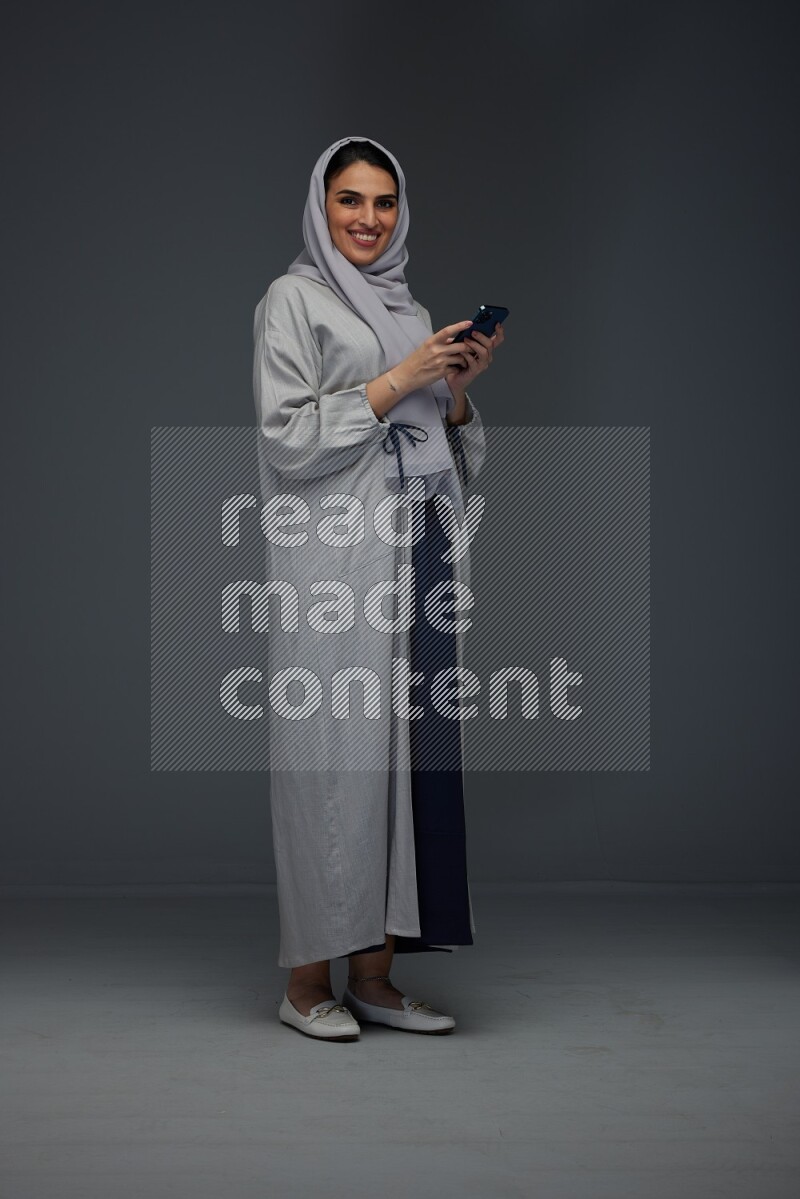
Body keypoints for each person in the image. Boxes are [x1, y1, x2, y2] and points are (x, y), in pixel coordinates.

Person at [252, 135, 505, 1040]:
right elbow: (286, 435)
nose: (368, 219)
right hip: (334, 562)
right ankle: (305, 979)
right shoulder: (293, 300)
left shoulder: (412, 309)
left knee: (406, 761)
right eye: (350, 200)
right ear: (321, 207)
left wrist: (459, 391)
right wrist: (399, 379)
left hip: (418, 552)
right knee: (332, 761)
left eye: (385, 202)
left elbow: (447, 447)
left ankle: (376, 975)